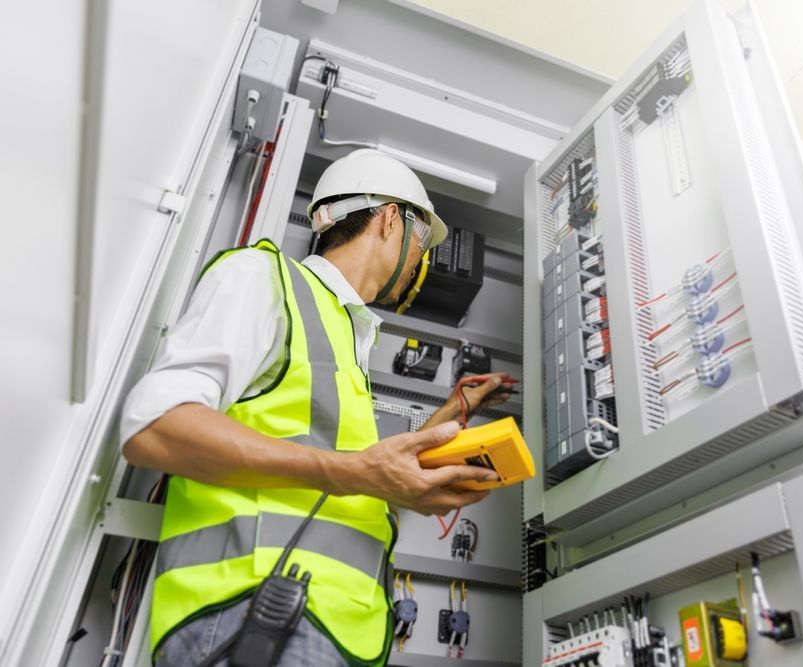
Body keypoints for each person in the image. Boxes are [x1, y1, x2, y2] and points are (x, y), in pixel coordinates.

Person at [121, 148, 514, 666]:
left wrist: (453, 410)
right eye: (422, 240)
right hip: (254, 611)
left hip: (334, 630)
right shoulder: (262, 278)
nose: (421, 259)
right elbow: (155, 426)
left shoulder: (349, 338)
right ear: (390, 219)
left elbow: (354, 481)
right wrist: (353, 471)